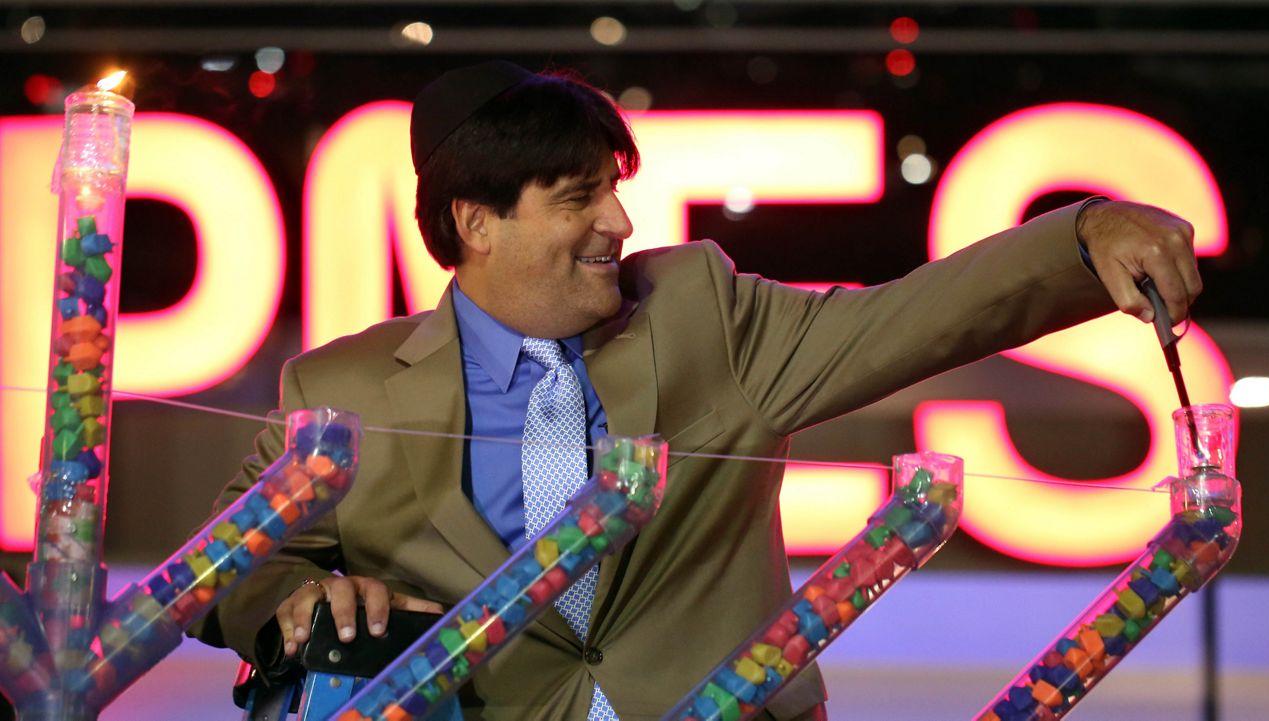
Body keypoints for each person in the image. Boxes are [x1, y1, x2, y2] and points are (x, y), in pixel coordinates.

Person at [189, 61, 1201, 720]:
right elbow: (225, 568)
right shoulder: (342, 385)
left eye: (614, 188)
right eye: (578, 196)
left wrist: (1078, 238)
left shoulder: (699, 312)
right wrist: (296, 594)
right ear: (474, 222)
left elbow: (918, 314)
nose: (619, 223)